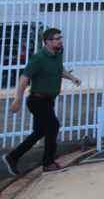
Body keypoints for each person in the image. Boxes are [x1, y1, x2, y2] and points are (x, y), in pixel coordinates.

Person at [3, 28, 81, 175]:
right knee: (53, 126)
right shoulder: (38, 58)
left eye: (60, 38)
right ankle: (48, 163)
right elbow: (24, 78)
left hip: (49, 100)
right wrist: (17, 99)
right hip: (37, 100)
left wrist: (72, 78)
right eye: (57, 39)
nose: (60, 41)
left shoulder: (58, 53)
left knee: (40, 131)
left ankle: (12, 157)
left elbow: (59, 69)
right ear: (47, 42)